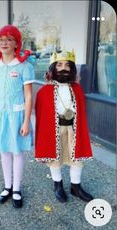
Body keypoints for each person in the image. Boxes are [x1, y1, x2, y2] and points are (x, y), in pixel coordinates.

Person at [0, 25, 35, 208]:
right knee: (4, 151)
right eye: (0, 39)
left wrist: (27, 121)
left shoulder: (24, 67)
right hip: (0, 115)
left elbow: (28, 95)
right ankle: (7, 186)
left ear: (16, 44)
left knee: (17, 151)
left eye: (9, 39)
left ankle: (17, 189)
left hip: (17, 116)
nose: (4, 42)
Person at [34, 49, 94, 203]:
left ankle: (76, 186)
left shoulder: (77, 89)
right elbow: (41, 116)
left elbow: (81, 110)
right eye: (59, 65)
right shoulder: (44, 91)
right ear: (53, 68)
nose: (63, 68)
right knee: (55, 158)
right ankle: (58, 185)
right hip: (54, 129)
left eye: (67, 65)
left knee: (77, 157)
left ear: (72, 69)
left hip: (73, 128)